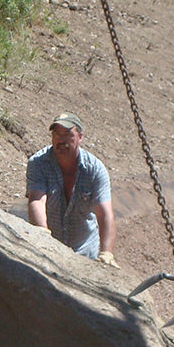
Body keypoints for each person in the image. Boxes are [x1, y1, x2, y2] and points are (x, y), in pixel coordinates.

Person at [25, 112, 117, 265]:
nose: (61, 140)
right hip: (49, 249)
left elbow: (104, 213)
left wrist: (106, 253)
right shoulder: (38, 163)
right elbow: (36, 199)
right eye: (56, 134)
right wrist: (42, 235)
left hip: (85, 252)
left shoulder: (95, 169)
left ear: (80, 137)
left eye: (67, 134)